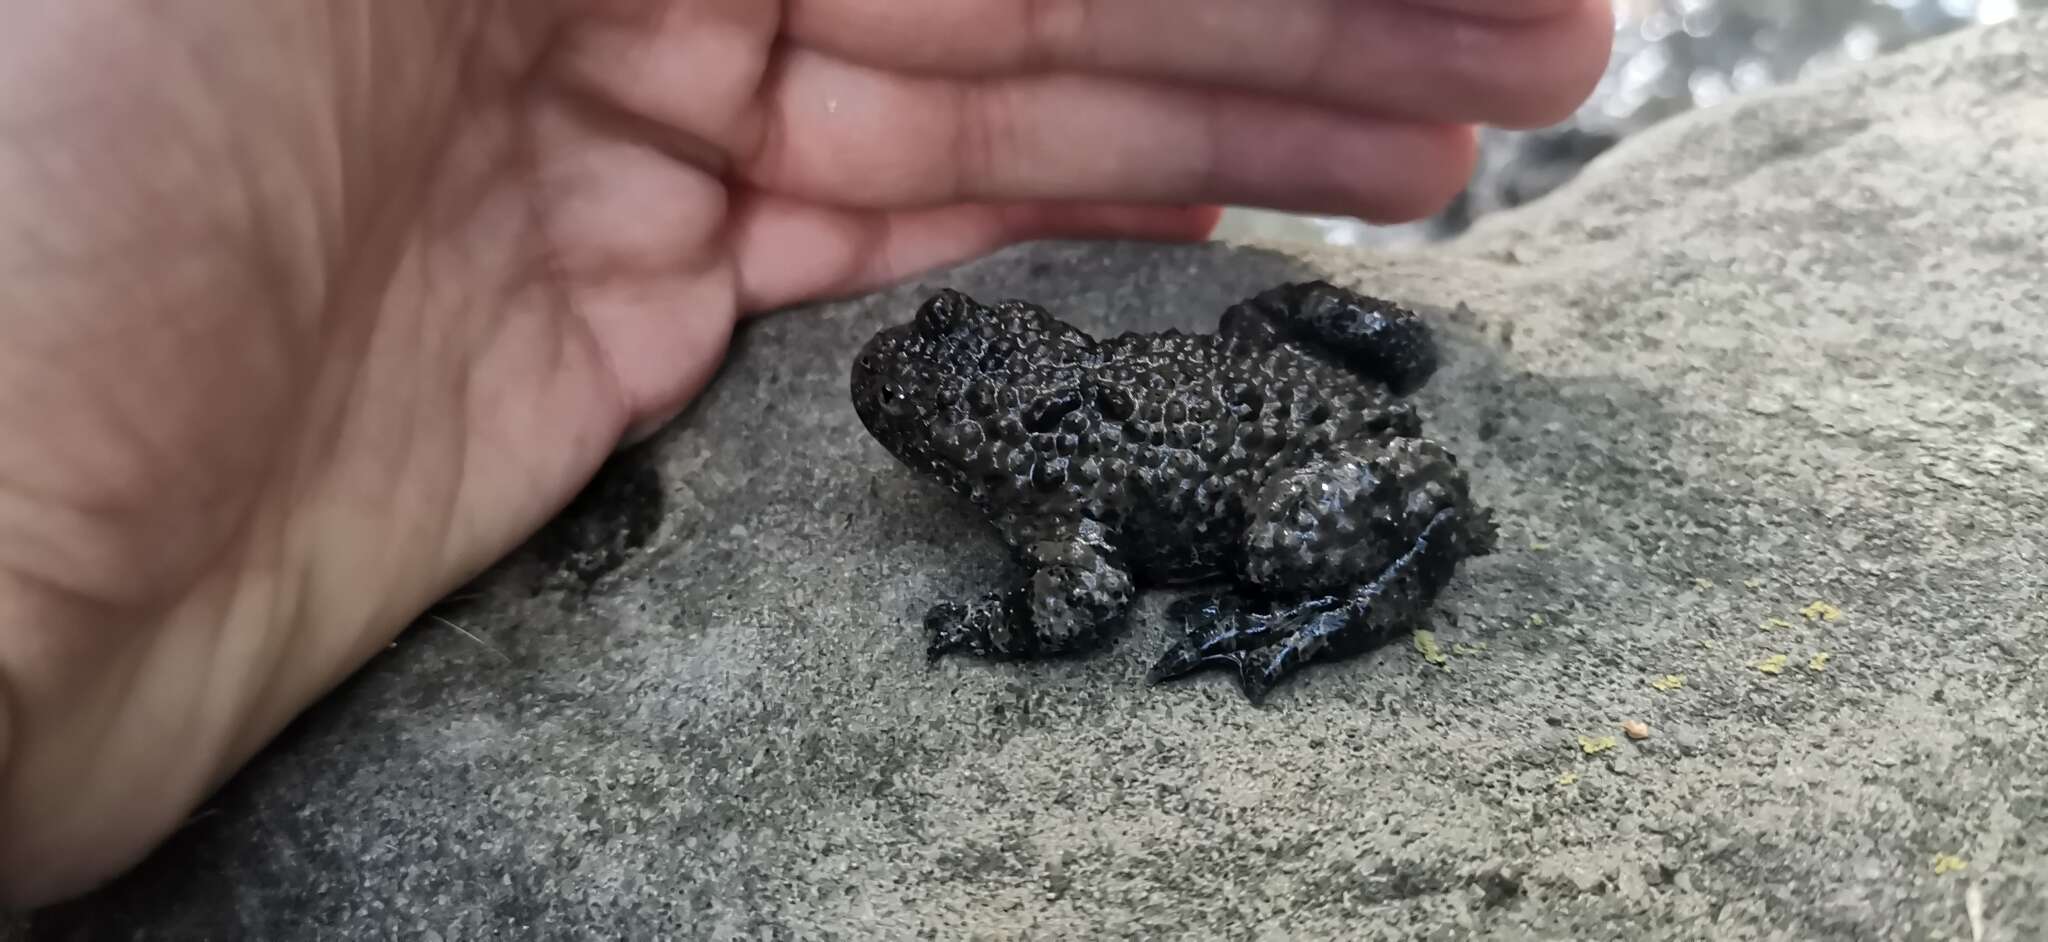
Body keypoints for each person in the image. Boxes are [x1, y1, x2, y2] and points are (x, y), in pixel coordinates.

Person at [0, 0, 1612, 907]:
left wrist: (1008, 620)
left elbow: (1088, 599)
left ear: (996, 432)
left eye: (923, 397)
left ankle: (1345, 585)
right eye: (928, 359)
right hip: (1230, 391)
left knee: (1296, 535)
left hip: (1308, 463)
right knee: (1271, 315)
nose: (894, 378)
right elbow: (1097, 556)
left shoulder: (1065, 486)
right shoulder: (1059, 440)